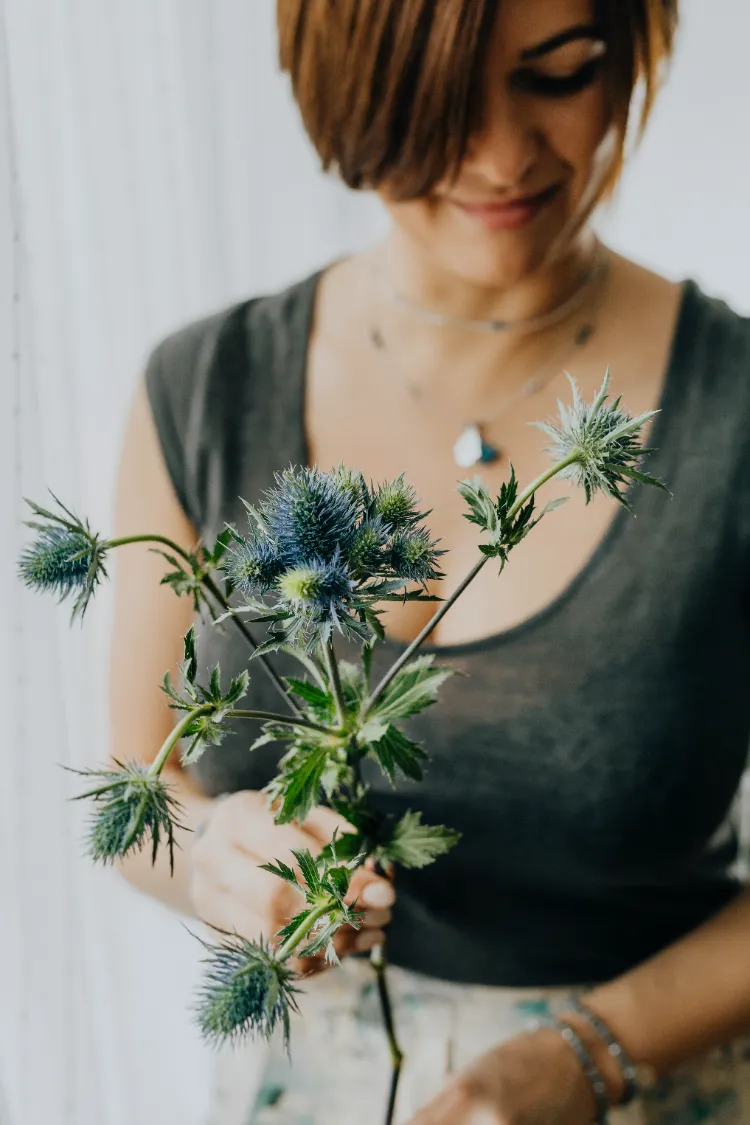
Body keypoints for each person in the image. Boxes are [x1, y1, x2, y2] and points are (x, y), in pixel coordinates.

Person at [110, 0, 750, 1122]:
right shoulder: (204, 388)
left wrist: (586, 1057)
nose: (504, 153)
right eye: (445, 99)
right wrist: (216, 851)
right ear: (344, 81)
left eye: (560, 76)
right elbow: (134, 795)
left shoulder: (734, 407)